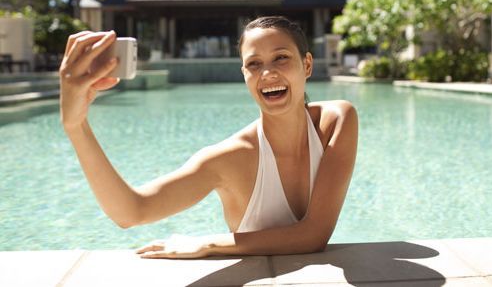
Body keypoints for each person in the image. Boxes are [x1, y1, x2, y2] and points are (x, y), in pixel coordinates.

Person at [59, 16, 358, 259]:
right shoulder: (229, 159)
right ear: (244, 74)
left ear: (306, 65)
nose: (267, 73)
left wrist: (211, 244)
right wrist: (76, 125)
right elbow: (132, 211)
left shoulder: (337, 121)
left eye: (281, 58)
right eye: (254, 64)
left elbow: (314, 235)